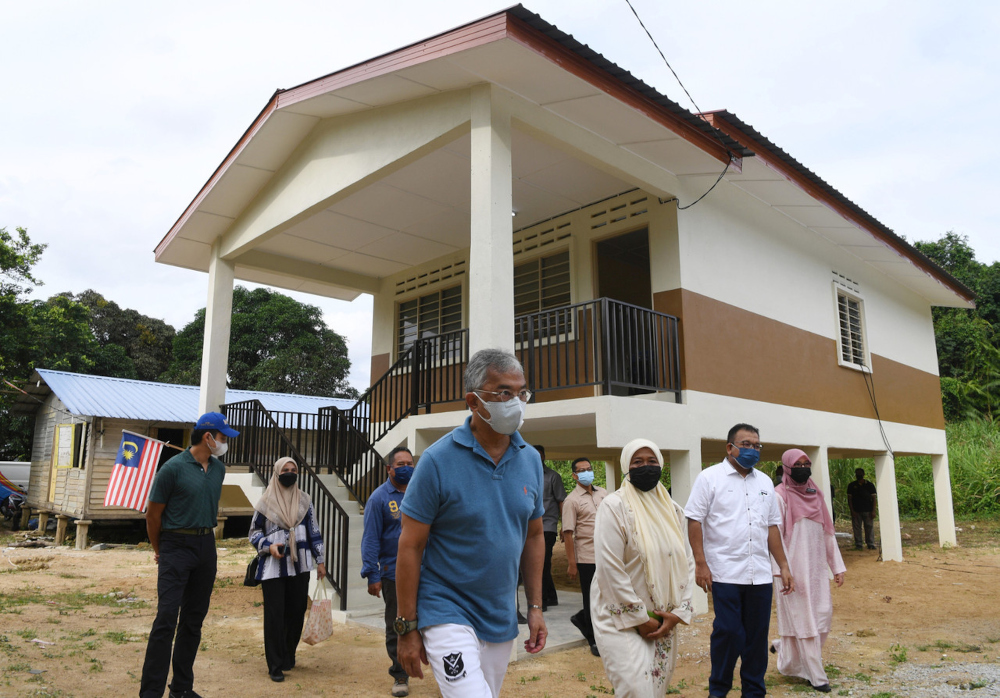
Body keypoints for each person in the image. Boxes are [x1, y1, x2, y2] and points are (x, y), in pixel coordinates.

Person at [396, 349, 547, 698]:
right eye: (504, 393)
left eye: (521, 392)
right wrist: (407, 627)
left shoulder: (531, 462)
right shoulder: (437, 460)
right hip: (445, 607)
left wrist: (535, 608)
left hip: (499, 613)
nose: (516, 402)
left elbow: (535, 535)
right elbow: (410, 545)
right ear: (474, 401)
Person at [684, 423, 795, 698]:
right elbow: (694, 520)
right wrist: (700, 563)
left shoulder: (765, 482)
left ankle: (754, 691)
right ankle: (718, 689)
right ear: (729, 447)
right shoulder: (709, 478)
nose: (752, 450)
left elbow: (771, 528)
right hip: (724, 573)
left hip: (759, 575)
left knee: (757, 638)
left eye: (756, 445)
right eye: (745, 444)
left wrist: (783, 565)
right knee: (729, 632)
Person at [140, 411, 238, 698]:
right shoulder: (172, 468)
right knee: (166, 618)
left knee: (193, 619)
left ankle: (181, 688)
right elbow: (152, 515)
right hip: (175, 545)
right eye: (222, 438)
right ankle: (150, 692)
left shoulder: (218, 469)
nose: (224, 443)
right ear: (207, 438)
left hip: (206, 546)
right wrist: (161, 550)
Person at [591, 439, 695, 697]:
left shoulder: (674, 510)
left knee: (656, 689)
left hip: (663, 618)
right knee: (636, 690)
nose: (645, 467)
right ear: (627, 466)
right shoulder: (614, 507)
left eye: (652, 461)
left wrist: (679, 612)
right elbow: (609, 567)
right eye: (638, 462)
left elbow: (687, 561)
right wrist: (639, 617)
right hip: (621, 617)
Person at [770, 449, 846, 693]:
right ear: (786, 468)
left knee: (822, 616)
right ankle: (816, 675)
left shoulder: (816, 494)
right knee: (805, 622)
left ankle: (785, 655)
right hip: (791, 572)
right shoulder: (779, 496)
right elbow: (773, 538)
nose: (803, 467)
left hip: (815, 571)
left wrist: (836, 567)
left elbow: (827, 534)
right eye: (798, 464)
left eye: (807, 463)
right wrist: (781, 570)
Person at [248, 457, 326, 683]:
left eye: (294, 470)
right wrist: (267, 546)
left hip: (300, 564)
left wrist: (320, 560)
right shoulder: (266, 502)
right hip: (273, 568)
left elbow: (314, 530)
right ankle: (274, 665)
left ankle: (287, 655)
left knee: (296, 610)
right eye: (286, 470)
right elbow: (253, 532)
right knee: (275, 616)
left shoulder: (304, 501)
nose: (290, 473)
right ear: (276, 473)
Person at [361, 446, 416, 697]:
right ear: (389, 469)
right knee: (398, 624)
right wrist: (372, 574)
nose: (406, 468)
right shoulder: (379, 498)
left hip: (424, 571)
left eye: (410, 463)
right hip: (393, 573)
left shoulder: (420, 492)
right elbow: (371, 539)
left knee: (431, 622)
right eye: (400, 464)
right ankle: (400, 674)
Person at [562, 456, 606, 656]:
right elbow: (568, 534)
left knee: (606, 595)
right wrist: (572, 564)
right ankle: (593, 638)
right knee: (591, 598)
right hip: (586, 558)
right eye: (581, 470)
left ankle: (581, 618)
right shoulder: (571, 501)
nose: (586, 472)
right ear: (574, 475)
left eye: (589, 468)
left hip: (607, 555)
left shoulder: (604, 494)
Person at [537, 444, 567, 611]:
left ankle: (542, 601)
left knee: (543, 561)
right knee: (540, 562)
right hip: (530, 527)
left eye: (540, 456)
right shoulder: (525, 476)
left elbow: (561, 500)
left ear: (544, 457)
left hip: (547, 525)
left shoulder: (553, 477)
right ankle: (552, 596)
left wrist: (564, 525)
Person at [847, 467, 878, 550]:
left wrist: (873, 511)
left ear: (863, 474)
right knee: (857, 528)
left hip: (868, 510)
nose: (858, 475)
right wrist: (852, 510)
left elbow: (874, 499)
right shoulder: (851, 485)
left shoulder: (870, 485)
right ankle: (858, 544)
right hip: (856, 510)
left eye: (860, 473)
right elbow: (849, 499)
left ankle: (870, 544)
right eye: (857, 474)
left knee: (869, 527)